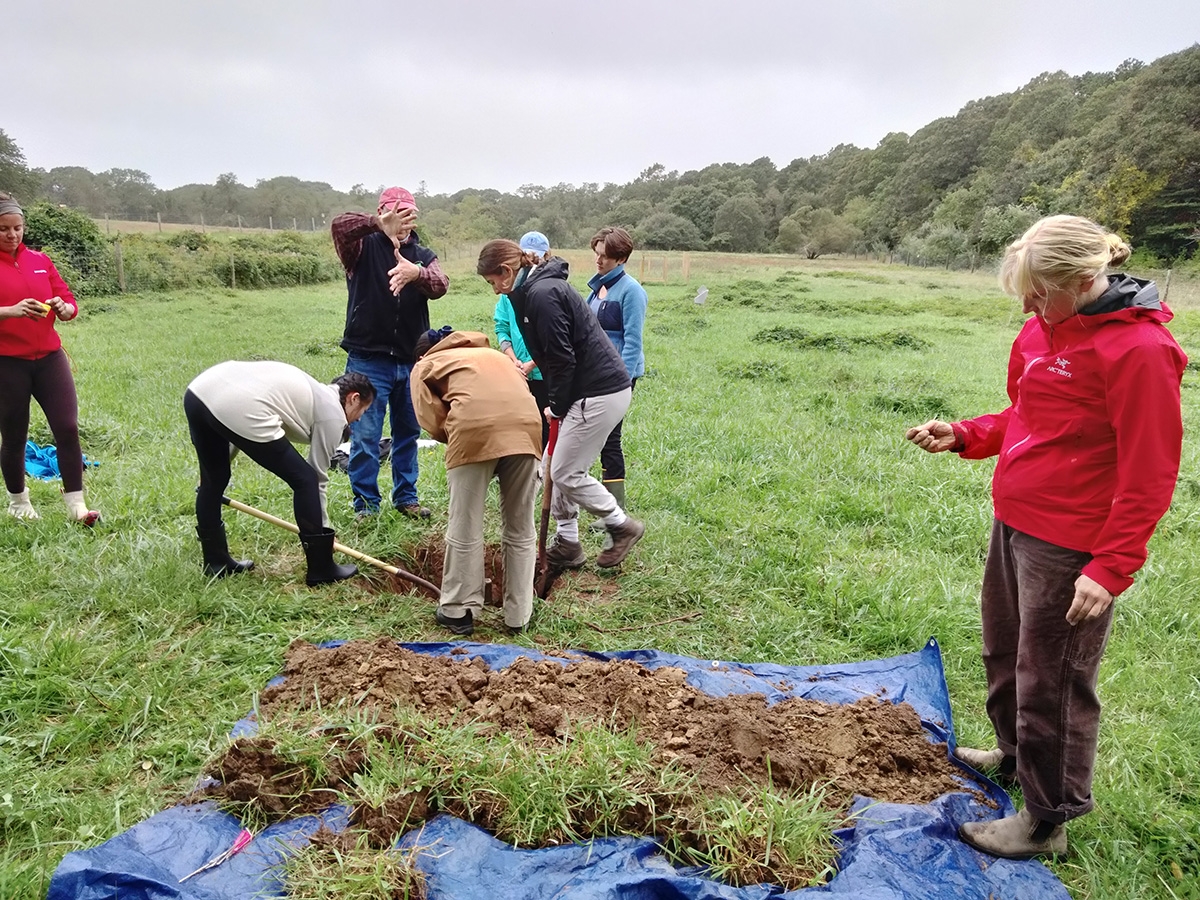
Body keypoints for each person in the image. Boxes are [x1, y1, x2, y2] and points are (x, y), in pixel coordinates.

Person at [905, 215, 1186, 861]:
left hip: (1071, 545)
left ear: (1086, 278)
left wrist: (1111, 565)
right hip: (1015, 520)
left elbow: (1151, 469)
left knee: (1052, 682)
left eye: (1040, 291)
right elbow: (1028, 414)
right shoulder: (1041, 328)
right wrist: (969, 433)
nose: (1028, 305)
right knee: (1006, 655)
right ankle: (1011, 755)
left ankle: (1045, 820)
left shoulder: (1139, 352)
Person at [476, 239, 645, 570]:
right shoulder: (531, 292)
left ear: (507, 272)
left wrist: (557, 404)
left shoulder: (543, 295)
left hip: (597, 393)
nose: (495, 290)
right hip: (590, 390)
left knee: (565, 473)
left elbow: (561, 358)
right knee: (551, 467)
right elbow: (549, 353)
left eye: (493, 282)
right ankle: (568, 543)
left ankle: (621, 525)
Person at [184, 361, 375, 586]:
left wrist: (214, 468)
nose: (360, 418)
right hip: (237, 403)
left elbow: (234, 422)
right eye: (363, 410)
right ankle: (321, 568)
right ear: (353, 398)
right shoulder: (333, 413)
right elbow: (317, 478)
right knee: (305, 479)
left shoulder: (313, 394)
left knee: (213, 481)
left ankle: (216, 562)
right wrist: (324, 534)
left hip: (199, 392)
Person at [411, 327, 542, 636]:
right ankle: (519, 615)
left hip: (473, 431)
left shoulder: (425, 365)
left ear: (421, 354)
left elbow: (431, 420)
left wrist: (466, 443)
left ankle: (458, 610)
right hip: (528, 429)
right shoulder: (494, 355)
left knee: (465, 521)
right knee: (521, 525)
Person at [331, 186, 449, 520]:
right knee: (366, 437)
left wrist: (417, 274)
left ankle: (406, 499)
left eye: (410, 215)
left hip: (412, 362)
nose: (405, 223)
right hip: (368, 359)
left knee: (408, 433)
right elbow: (340, 225)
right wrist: (374, 223)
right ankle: (366, 507)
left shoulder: (423, 255)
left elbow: (440, 284)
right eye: (398, 214)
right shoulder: (361, 247)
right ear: (384, 211)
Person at [0, 192, 100, 525]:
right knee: (15, 435)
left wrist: (63, 307)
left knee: (68, 428)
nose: (12, 235)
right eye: (3, 229)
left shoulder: (41, 261)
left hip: (49, 359)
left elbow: (69, 302)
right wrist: (9, 312)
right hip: (7, 363)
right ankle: (19, 504)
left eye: (17, 227)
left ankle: (76, 506)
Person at [585, 227, 647, 513]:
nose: (599, 261)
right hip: (595, 373)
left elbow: (633, 340)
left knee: (610, 439)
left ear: (621, 259)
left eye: (606, 257)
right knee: (593, 437)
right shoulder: (597, 288)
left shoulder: (632, 291)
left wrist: (622, 379)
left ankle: (615, 509)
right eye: (597, 254)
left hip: (618, 376)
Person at [494, 231, 552, 449]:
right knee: (521, 424)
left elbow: (553, 339)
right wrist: (513, 360)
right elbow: (502, 327)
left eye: (538, 257)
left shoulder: (546, 292)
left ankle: (545, 472)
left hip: (544, 372)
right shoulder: (506, 294)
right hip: (517, 371)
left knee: (547, 424)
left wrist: (532, 363)